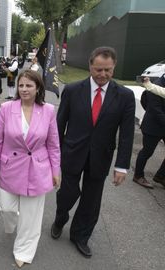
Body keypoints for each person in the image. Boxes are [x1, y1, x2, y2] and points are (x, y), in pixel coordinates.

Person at [51, 47, 135, 258]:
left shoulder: (125, 96)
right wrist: (54, 157)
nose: (103, 74)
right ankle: (60, 218)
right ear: (90, 66)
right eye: (98, 69)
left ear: (113, 67)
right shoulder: (72, 90)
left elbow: (126, 135)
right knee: (67, 194)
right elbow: (58, 127)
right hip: (72, 153)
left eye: (108, 70)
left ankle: (80, 235)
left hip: (101, 156)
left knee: (92, 199)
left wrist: (122, 166)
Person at [0, 70, 60, 267]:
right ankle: (11, 225)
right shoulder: (6, 108)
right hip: (9, 166)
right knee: (8, 208)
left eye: (29, 85)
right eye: (21, 85)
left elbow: (53, 144)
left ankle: (24, 250)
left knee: (31, 215)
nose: (24, 89)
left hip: (38, 169)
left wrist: (56, 171)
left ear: (38, 88)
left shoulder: (48, 111)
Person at [132, 75, 165, 189]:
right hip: (153, 126)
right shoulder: (156, 85)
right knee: (147, 152)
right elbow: (156, 110)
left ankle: (161, 176)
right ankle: (138, 176)